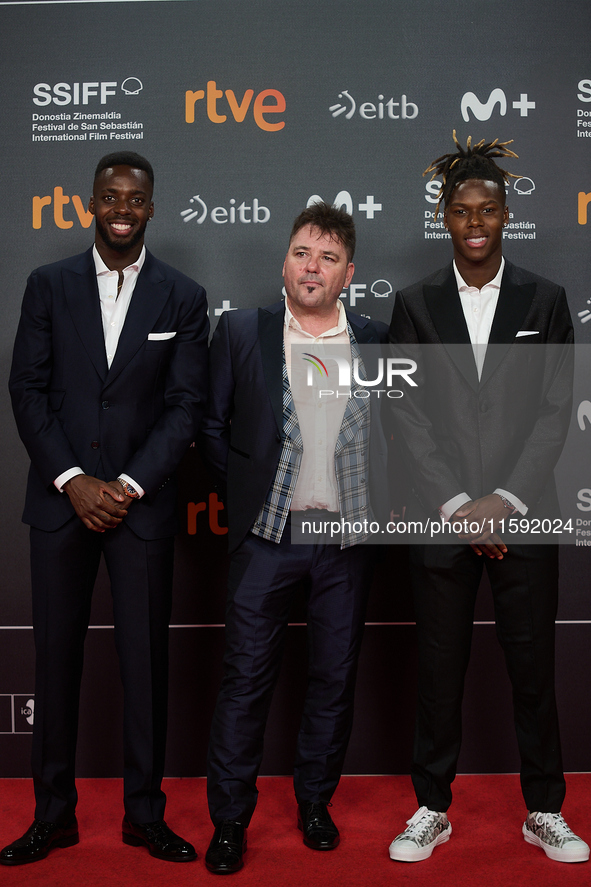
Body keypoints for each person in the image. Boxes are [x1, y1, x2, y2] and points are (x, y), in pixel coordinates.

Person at [387, 133, 589, 865]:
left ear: (506, 215)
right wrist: (455, 505)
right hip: (440, 519)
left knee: (532, 668)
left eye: (488, 209)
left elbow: (552, 409)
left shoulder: (547, 299)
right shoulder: (414, 304)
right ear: (444, 217)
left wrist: (500, 502)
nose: (474, 222)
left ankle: (543, 809)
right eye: (461, 211)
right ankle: (430, 808)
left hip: (523, 513)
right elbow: (403, 413)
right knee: (438, 668)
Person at [3, 152, 209, 866]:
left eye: (136, 198)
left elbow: (186, 405)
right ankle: (52, 815)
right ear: (90, 202)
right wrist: (72, 479)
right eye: (110, 195)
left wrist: (124, 485)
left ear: (152, 207)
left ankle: (142, 815)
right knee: (55, 661)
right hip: (61, 504)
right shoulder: (47, 285)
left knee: (143, 664)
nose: (122, 206)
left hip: (138, 508)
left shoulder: (182, 295)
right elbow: (26, 389)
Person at [201, 202, 388, 874]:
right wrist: (250, 496)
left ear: (348, 274)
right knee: (244, 681)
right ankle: (228, 821)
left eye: (328, 257)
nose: (313, 267)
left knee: (333, 680)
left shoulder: (376, 340)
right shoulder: (242, 332)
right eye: (303, 252)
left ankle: (315, 803)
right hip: (265, 539)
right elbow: (212, 427)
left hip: (344, 542)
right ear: (285, 262)